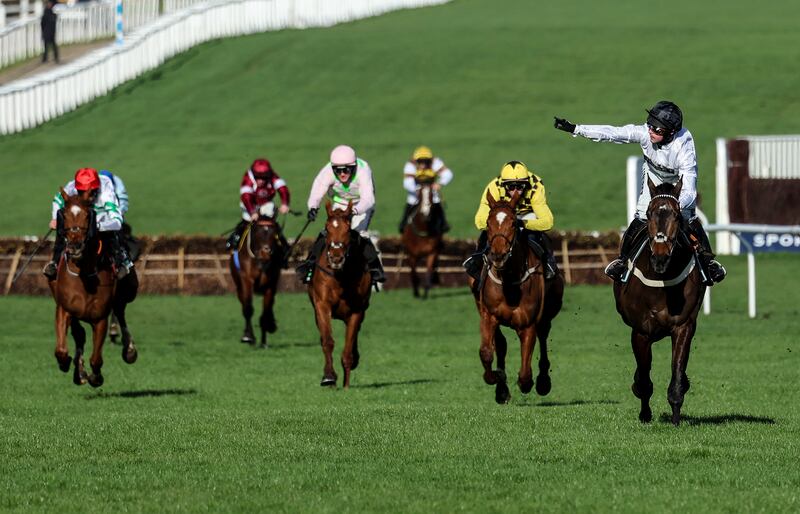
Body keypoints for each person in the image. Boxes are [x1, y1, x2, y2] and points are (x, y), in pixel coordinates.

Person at [553, 100, 726, 285]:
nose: (651, 130)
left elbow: (690, 192)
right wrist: (576, 129)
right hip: (654, 177)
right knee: (641, 217)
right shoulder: (645, 132)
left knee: (688, 219)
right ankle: (622, 261)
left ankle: (709, 263)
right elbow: (613, 133)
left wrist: (675, 206)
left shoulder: (684, 148)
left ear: (671, 132)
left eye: (657, 129)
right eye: (650, 124)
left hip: (679, 183)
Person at [296, 144, 385, 286]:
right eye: (337, 170)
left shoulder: (363, 171)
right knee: (329, 231)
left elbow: (368, 199)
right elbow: (317, 191)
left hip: (361, 204)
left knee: (359, 232)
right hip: (340, 202)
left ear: (354, 167)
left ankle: (375, 268)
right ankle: (310, 265)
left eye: (346, 170)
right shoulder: (327, 171)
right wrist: (313, 207)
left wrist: (354, 211)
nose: (342, 174)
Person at [463, 160, 559, 281]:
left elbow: (547, 222)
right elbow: (480, 221)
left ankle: (548, 262)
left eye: (520, 187)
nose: (515, 192)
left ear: (526, 184)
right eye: (511, 187)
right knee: (487, 233)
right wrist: (497, 225)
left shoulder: (535, 186)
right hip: (503, 218)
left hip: (526, 215)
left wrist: (522, 223)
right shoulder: (493, 188)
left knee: (535, 236)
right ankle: (476, 260)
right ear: (504, 185)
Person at [44, 167, 133, 280]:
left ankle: (121, 261)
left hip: (102, 218)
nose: (85, 196)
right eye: (80, 192)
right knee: (63, 222)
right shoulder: (71, 187)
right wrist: (54, 219)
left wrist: (97, 226)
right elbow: (58, 200)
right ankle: (54, 262)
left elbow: (117, 222)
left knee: (114, 234)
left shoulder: (106, 191)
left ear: (96, 189)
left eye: (90, 193)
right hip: (81, 218)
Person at [225, 158, 291, 264]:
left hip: (266, 205)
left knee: (272, 225)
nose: (260, 180)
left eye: (264, 178)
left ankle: (284, 248)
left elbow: (283, 189)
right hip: (249, 205)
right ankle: (234, 241)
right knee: (245, 223)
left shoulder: (273, 176)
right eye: (258, 177)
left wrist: (284, 204)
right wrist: (252, 212)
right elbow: (246, 197)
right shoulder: (248, 178)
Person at [398, 146, 452, 234]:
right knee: (410, 206)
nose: (423, 164)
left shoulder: (435, 163)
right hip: (416, 193)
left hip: (431, 192)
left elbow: (448, 174)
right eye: (420, 161)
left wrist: (440, 183)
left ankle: (443, 224)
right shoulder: (410, 165)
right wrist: (418, 190)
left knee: (437, 204)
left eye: (426, 161)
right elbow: (407, 183)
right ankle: (403, 225)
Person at [99, 169, 140, 262]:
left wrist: (117, 214)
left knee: (118, 235)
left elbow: (123, 201)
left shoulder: (118, 186)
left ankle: (123, 258)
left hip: (114, 215)